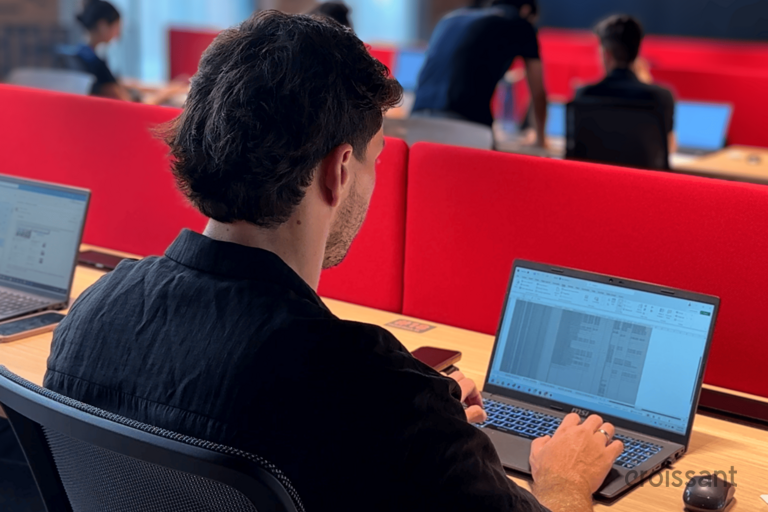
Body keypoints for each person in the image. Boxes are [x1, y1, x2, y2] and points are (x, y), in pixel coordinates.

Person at [45, 10, 621, 512]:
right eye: (374, 160)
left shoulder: (92, 316)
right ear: (340, 170)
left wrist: (438, 438)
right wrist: (563, 480)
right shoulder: (370, 391)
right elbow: (351, 412)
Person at [412, 0, 548, 147]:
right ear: (526, 11)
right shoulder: (522, 25)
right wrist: (540, 140)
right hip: (466, 123)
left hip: (417, 117)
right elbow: (538, 94)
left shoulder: (451, 18)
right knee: (499, 168)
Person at [574, 15, 677, 153]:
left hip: (599, 174)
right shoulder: (661, 97)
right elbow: (669, 148)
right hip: (640, 175)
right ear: (636, 52)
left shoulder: (584, 94)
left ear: (606, 54)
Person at [75, 0, 186, 103]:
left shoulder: (80, 55)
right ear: (103, 26)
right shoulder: (96, 64)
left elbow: (120, 82)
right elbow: (130, 105)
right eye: (117, 26)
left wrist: (163, 87)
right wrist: (168, 92)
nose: (118, 33)